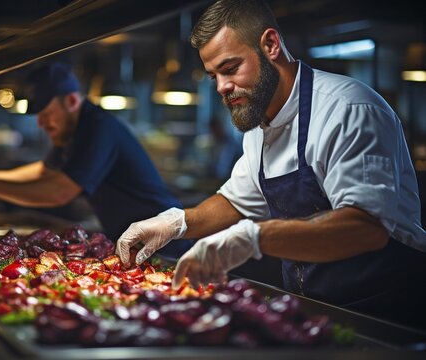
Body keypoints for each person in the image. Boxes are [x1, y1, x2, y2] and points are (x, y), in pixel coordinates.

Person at [116, 0, 426, 329]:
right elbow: (234, 201)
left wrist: (253, 238)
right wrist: (174, 223)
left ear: (270, 45)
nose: (221, 87)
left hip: (386, 314)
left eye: (231, 68)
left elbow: (366, 229)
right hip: (313, 310)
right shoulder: (260, 123)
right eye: (213, 76)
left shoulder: (348, 110)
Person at [0, 62, 191, 258]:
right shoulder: (70, 132)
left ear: (71, 101)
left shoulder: (97, 128)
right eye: (38, 115)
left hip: (165, 246)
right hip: (134, 243)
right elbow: (43, 171)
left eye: (47, 113)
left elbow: (60, 192)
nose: (41, 123)